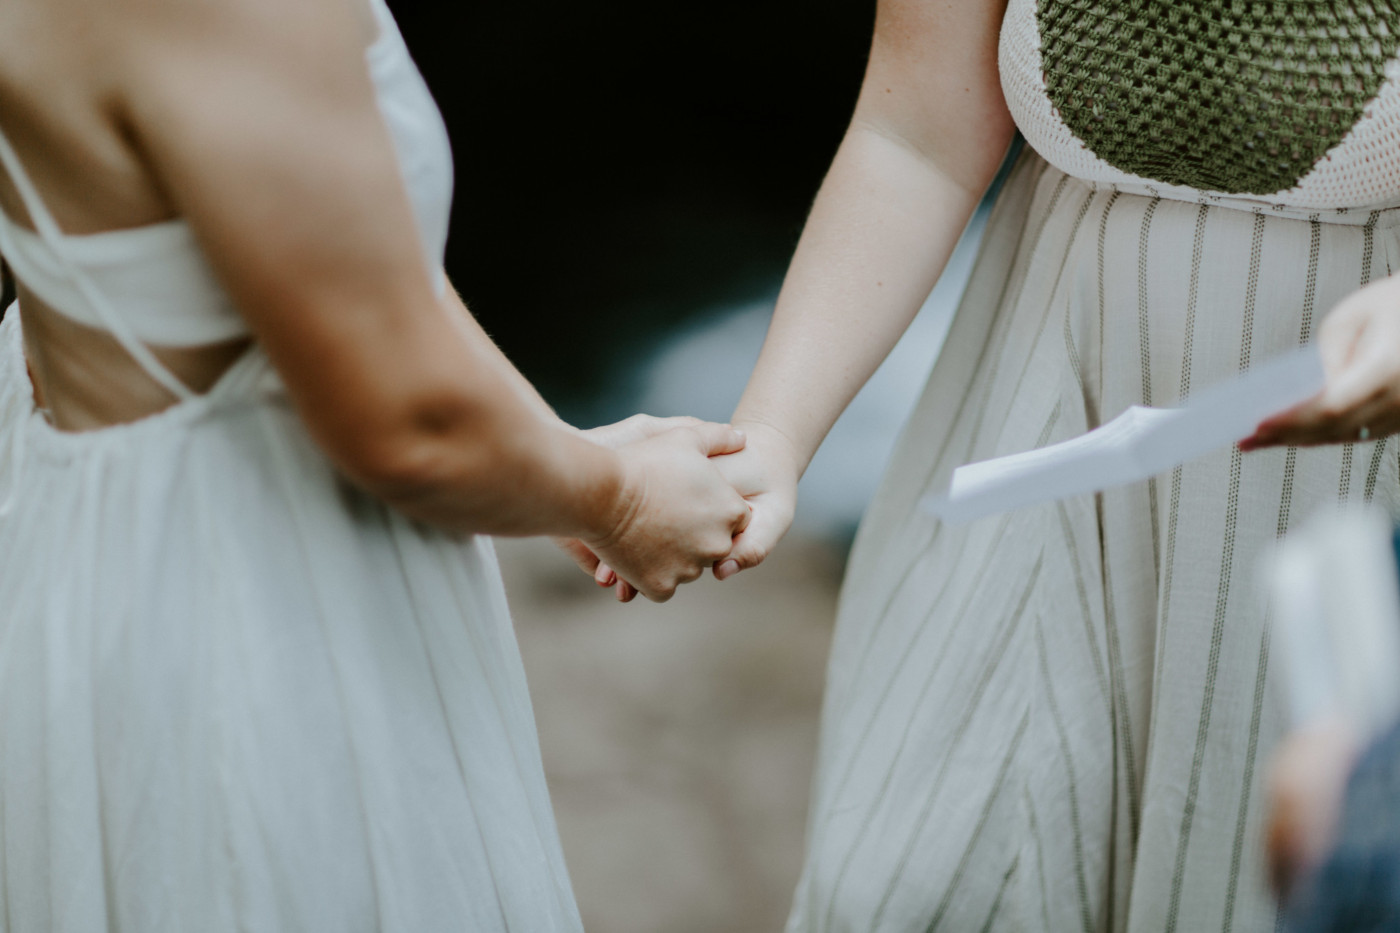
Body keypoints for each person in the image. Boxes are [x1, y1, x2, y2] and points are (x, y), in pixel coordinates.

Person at [605, 0, 1400, 928]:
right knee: (916, 879)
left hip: (1350, 425)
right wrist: (772, 435)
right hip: (1047, 391)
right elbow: (914, 136)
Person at [0, 0, 752, 927]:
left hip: (104, 553)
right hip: (257, 612)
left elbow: (334, 252)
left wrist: (532, 453)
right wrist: (621, 500)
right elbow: (408, 427)